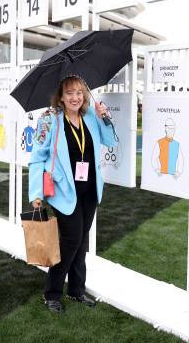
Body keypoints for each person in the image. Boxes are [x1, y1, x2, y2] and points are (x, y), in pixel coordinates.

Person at [28, 75, 117, 314]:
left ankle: (77, 290)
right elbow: (36, 158)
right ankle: (52, 293)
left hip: (89, 189)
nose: (75, 97)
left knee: (81, 241)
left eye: (79, 92)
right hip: (62, 191)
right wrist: (36, 194)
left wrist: (105, 117)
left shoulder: (90, 115)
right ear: (61, 96)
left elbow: (111, 141)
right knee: (70, 240)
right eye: (69, 93)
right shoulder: (49, 120)